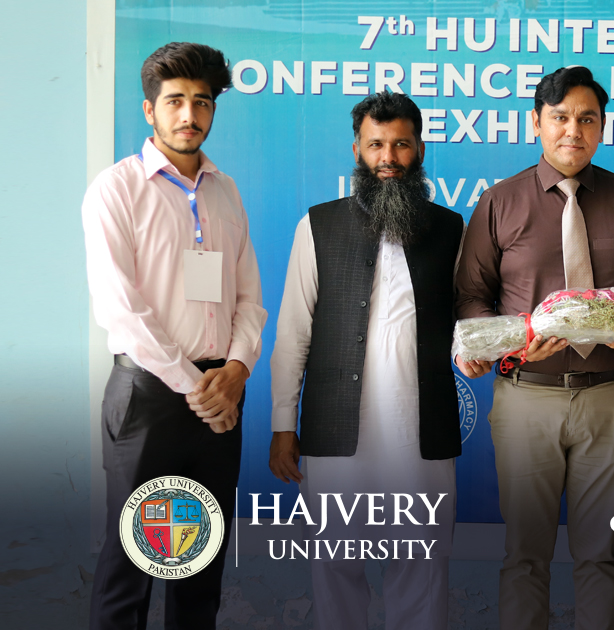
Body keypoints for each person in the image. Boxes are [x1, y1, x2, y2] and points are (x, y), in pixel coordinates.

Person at [455, 65, 614, 630]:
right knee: (524, 554)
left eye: (587, 119)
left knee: (601, 553)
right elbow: (471, 295)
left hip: (611, 397)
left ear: (602, 126)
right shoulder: (499, 201)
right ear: (536, 122)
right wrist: (509, 348)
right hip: (526, 397)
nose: (573, 131)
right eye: (560, 117)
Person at [83, 42, 267, 629]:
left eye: (202, 102)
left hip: (221, 394)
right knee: (130, 564)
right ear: (150, 109)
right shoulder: (117, 189)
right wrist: (197, 387)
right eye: (175, 101)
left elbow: (249, 297)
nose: (190, 115)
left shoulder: (225, 190)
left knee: (200, 565)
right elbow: (122, 309)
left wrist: (235, 371)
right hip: (150, 398)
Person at [268, 91, 463, 629]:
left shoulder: (451, 228)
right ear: (356, 149)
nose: (388, 158)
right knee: (335, 567)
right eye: (376, 144)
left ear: (419, 150)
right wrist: (283, 425)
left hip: (420, 434)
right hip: (335, 431)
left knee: (422, 567)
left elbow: (467, 320)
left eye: (401, 144)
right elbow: (293, 331)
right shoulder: (317, 225)